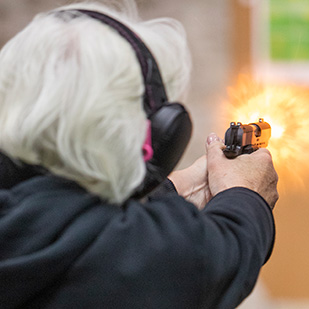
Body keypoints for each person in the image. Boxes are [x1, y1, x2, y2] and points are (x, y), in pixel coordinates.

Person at [0, 1, 279, 308]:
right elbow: (220, 256)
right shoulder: (126, 252)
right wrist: (247, 193)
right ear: (157, 132)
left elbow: (77, 212)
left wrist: (174, 188)